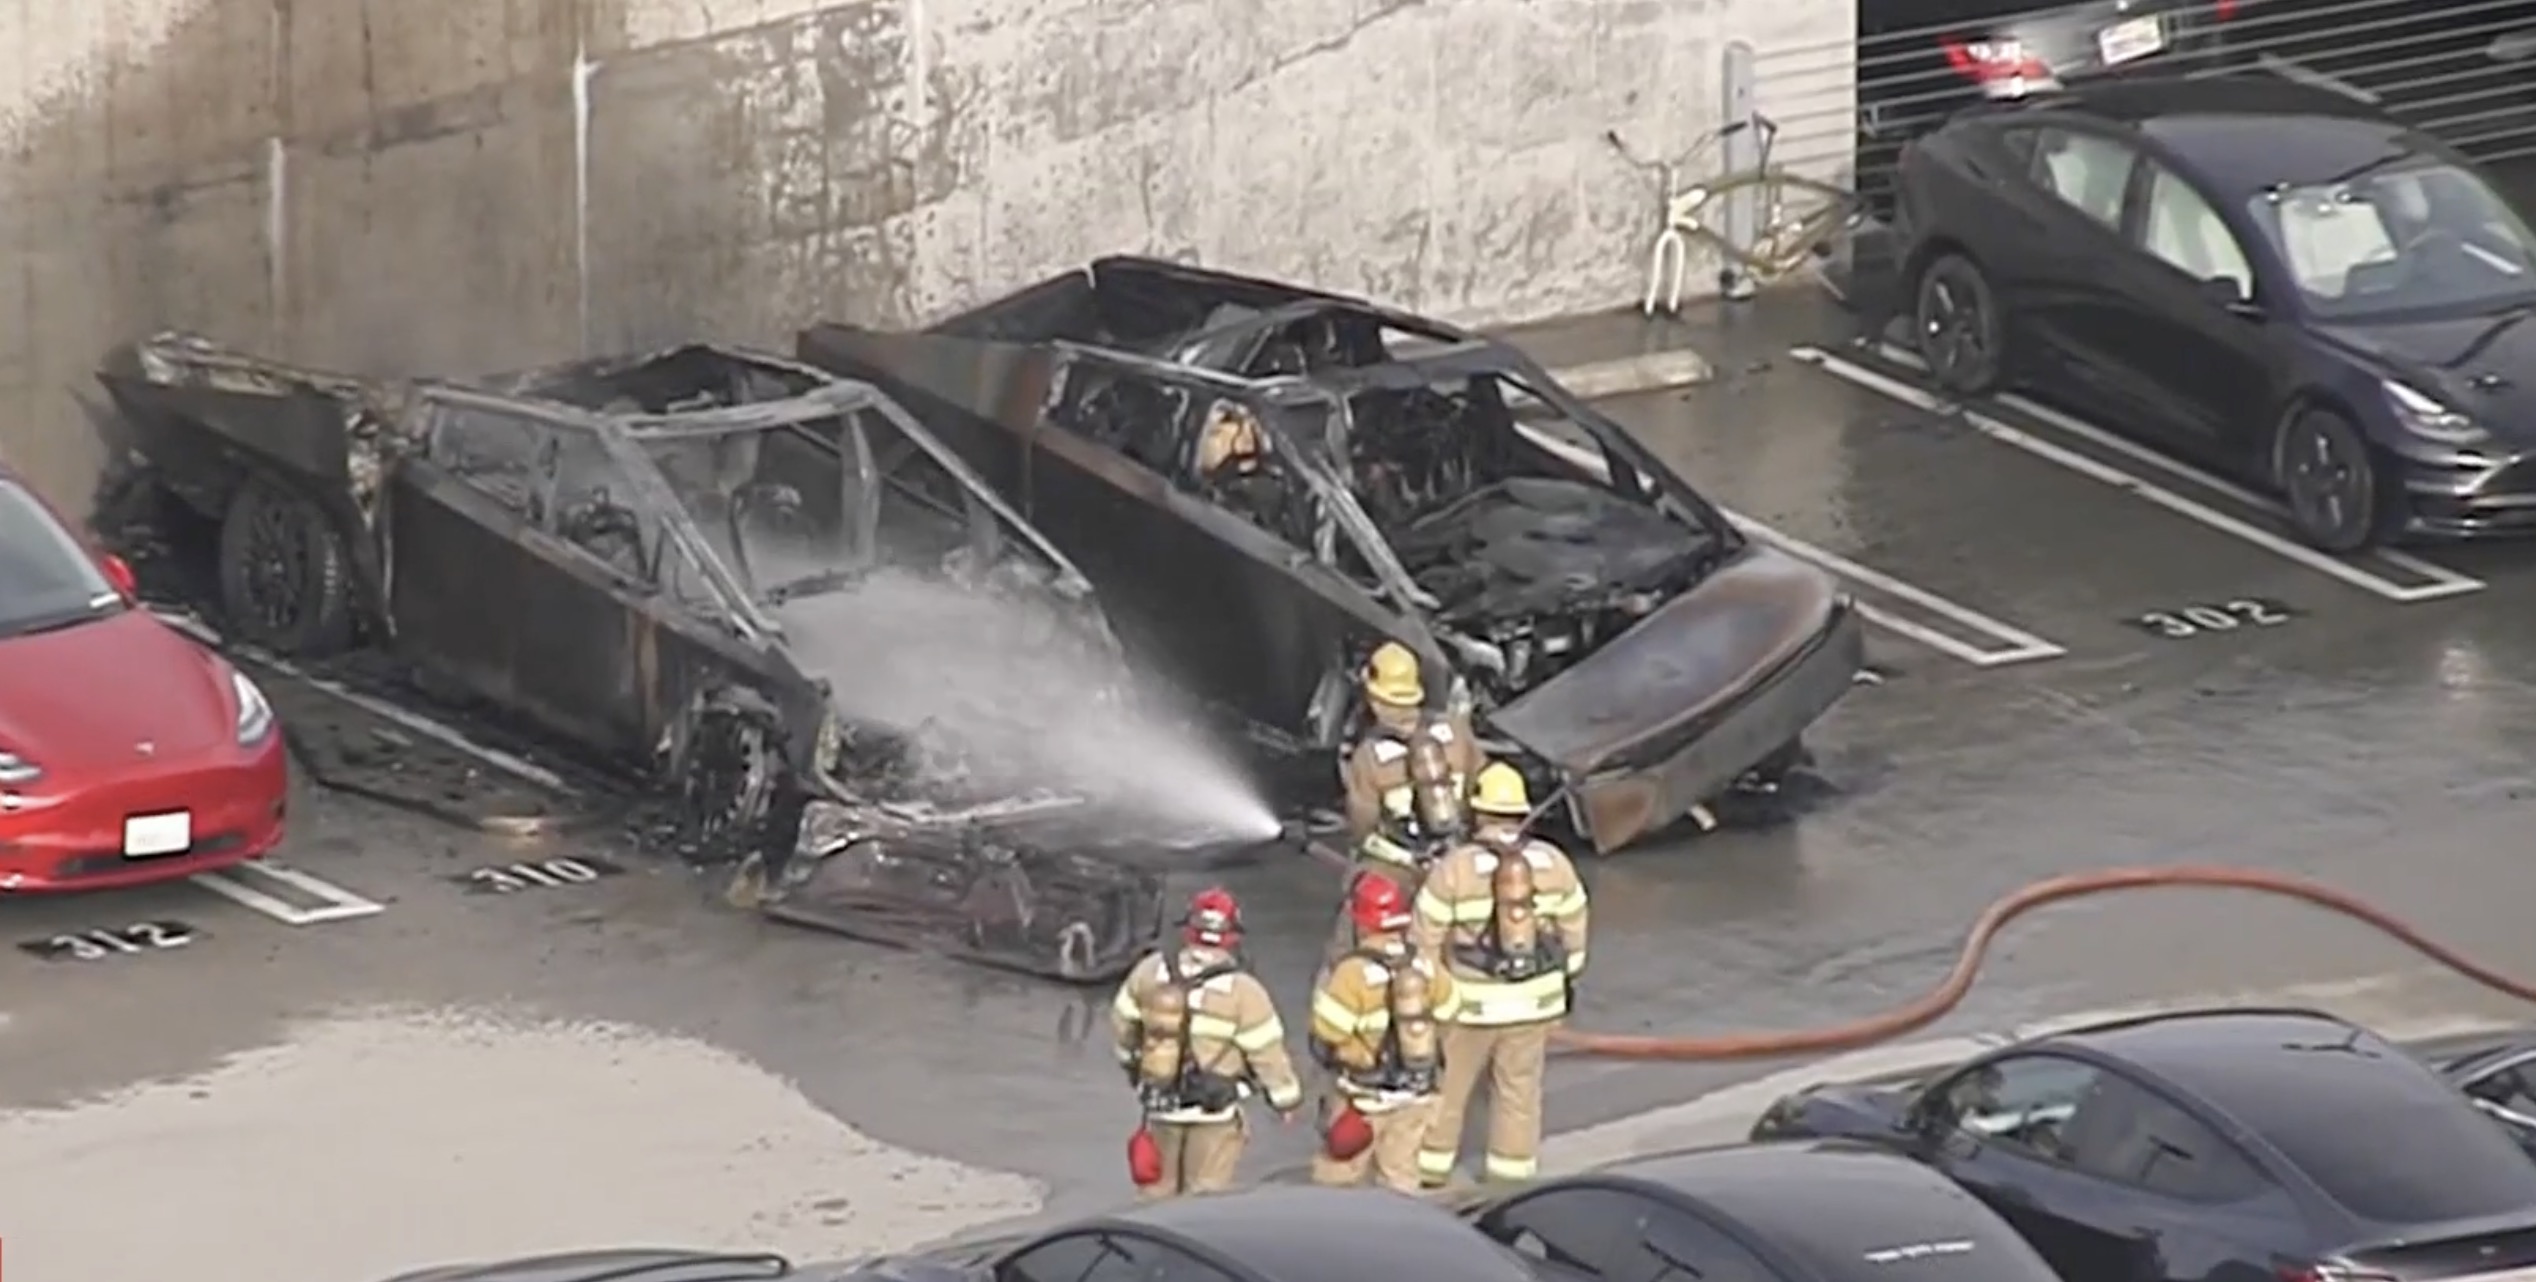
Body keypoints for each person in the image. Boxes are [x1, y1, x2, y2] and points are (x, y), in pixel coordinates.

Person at [1409, 761, 1590, 1187]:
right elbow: (1575, 931)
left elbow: (1423, 941)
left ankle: (1430, 1172)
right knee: (1518, 1092)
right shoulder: (1554, 863)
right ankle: (1511, 1177)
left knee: (1449, 1089)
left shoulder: (1455, 868)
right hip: (1535, 1003)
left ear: (1478, 811)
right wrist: (1566, 985)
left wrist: (1432, 998)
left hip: (1470, 1003)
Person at [1110, 887, 1304, 1199]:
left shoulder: (1150, 970)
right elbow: (1267, 1053)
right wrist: (1286, 1101)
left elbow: (1122, 1024)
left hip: (1161, 1108)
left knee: (1154, 1196)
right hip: (1215, 1114)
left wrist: (1138, 1069)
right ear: (1232, 936)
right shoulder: (1244, 991)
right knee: (1204, 1197)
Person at [1308, 874, 1462, 1192]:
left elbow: (1329, 1031)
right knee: (1400, 1174)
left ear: (1361, 923)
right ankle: (1399, 1232)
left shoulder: (1351, 973)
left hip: (1362, 1097)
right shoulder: (1422, 962)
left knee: (1338, 1174)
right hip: (1415, 1094)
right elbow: (1450, 1008)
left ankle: (1339, 1236)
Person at [1339, 642, 1481, 859]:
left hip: (1407, 865)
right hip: (1464, 856)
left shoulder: (1368, 758)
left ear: (1375, 701)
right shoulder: (1456, 731)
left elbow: (1363, 826)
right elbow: (1483, 783)